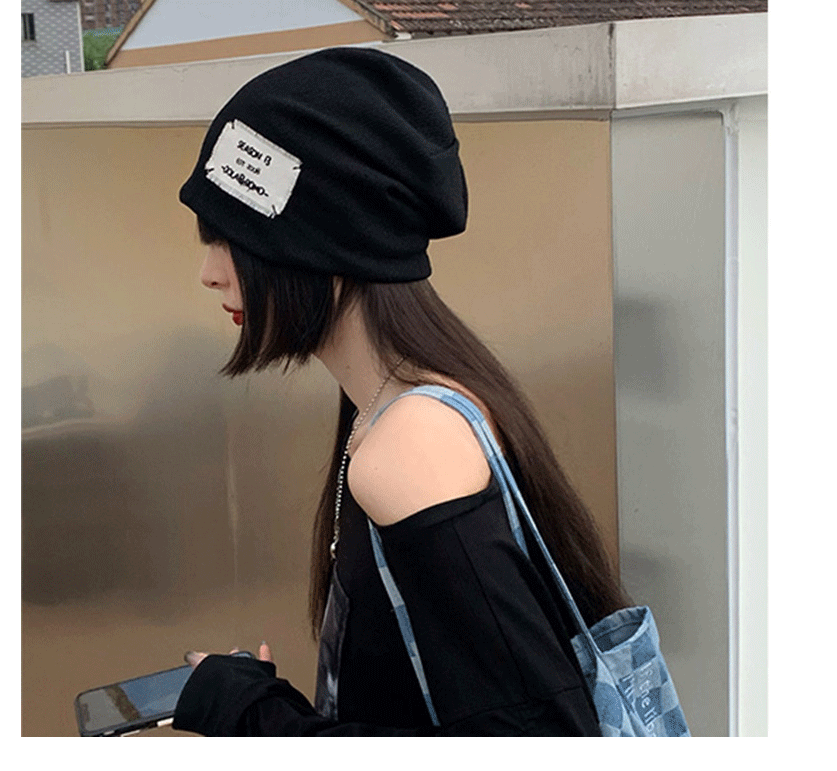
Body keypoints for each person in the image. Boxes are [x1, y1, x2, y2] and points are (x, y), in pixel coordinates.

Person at [171, 47, 628, 736]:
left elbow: (532, 738)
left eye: (228, 237)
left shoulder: (411, 448)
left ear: (326, 241)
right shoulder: (400, 404)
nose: (209, 272)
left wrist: (248, 713)